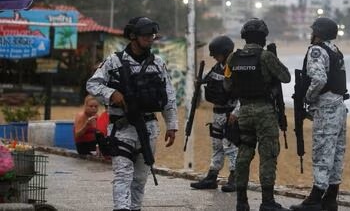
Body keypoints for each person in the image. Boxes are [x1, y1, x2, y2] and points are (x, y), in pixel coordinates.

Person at [86, 16, 178, 211]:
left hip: (149, 128)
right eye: (145, 35)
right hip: (122, 127)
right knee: (122, 175)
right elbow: (92, 84)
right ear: (133, 36)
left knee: (140, 179)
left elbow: (168, 95)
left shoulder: (158, 63)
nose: (150, 39)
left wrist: (171, 125)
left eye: (152, 35)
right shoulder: (114, 61)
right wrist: (111, 93)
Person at [224, 18, 291, 211]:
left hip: (244, 111)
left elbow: (227, 85)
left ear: (244, 37)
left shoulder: (232, 58)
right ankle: (267, 202)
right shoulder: (265, 57)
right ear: (263, 37)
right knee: (267, 155)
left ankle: (241, 201)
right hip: (264, 112)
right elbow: (285, 77)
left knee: (244, 154)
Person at [290, 17, 348, 211]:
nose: (311, 34)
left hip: (326, 107)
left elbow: (319, 79)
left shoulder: (317, 51)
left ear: (318, 33)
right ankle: (330, 199)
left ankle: (315, 199)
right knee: (336, 153)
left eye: (313, 30)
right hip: (339, 107)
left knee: (322, 152)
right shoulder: (336, 51)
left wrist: (308, 97)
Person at [190, 35, 239, 192]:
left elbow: (244, 94)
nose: (214, 57)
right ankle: (212, 177)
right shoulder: (217, 67)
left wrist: (237, 113)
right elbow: (207, 80)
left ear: (225, 52)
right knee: (217, 145)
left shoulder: (236, 68)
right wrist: (199, 82)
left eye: (216, 54)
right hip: (217, 112)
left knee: (230, 146)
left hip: (230, 114)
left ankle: (234, 177)